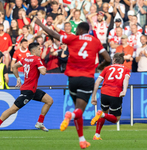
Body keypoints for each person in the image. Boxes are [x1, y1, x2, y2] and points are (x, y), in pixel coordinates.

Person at [35, 18, 111, 149]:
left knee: (77, 107)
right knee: (79, 111)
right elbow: (108, 59)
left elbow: (53, 34)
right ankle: (71, 115)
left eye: (77, 29)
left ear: (80, 30)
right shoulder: (96, 41)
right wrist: (99, 66)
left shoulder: (73, 38)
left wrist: (40, 24)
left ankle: (82, 140)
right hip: (87, 78)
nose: (75, 31)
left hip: (72, 79)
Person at [0, 43, 54, 139]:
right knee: (13, 109)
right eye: (39, 49)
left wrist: (18, 78)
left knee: (49, 101)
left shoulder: (26, 59)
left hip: (32, 89)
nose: (40, 51)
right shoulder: (36, 59)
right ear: (34, 50)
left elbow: (14, 66)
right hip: (28, 91)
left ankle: (40, 122)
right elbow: (43, 72)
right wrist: (43, 67)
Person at [90, 53, 130, 140]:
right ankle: (102, 115)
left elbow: (97, 82)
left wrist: (93, 97)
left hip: (104, 92)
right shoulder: (126, 69)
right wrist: (124, 90)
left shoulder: (107, 68)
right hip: (116, 93)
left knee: (104, 110)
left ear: (114, 60)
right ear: (122, 61)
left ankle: (97, 135)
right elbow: (126, 79)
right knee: (116, 119)